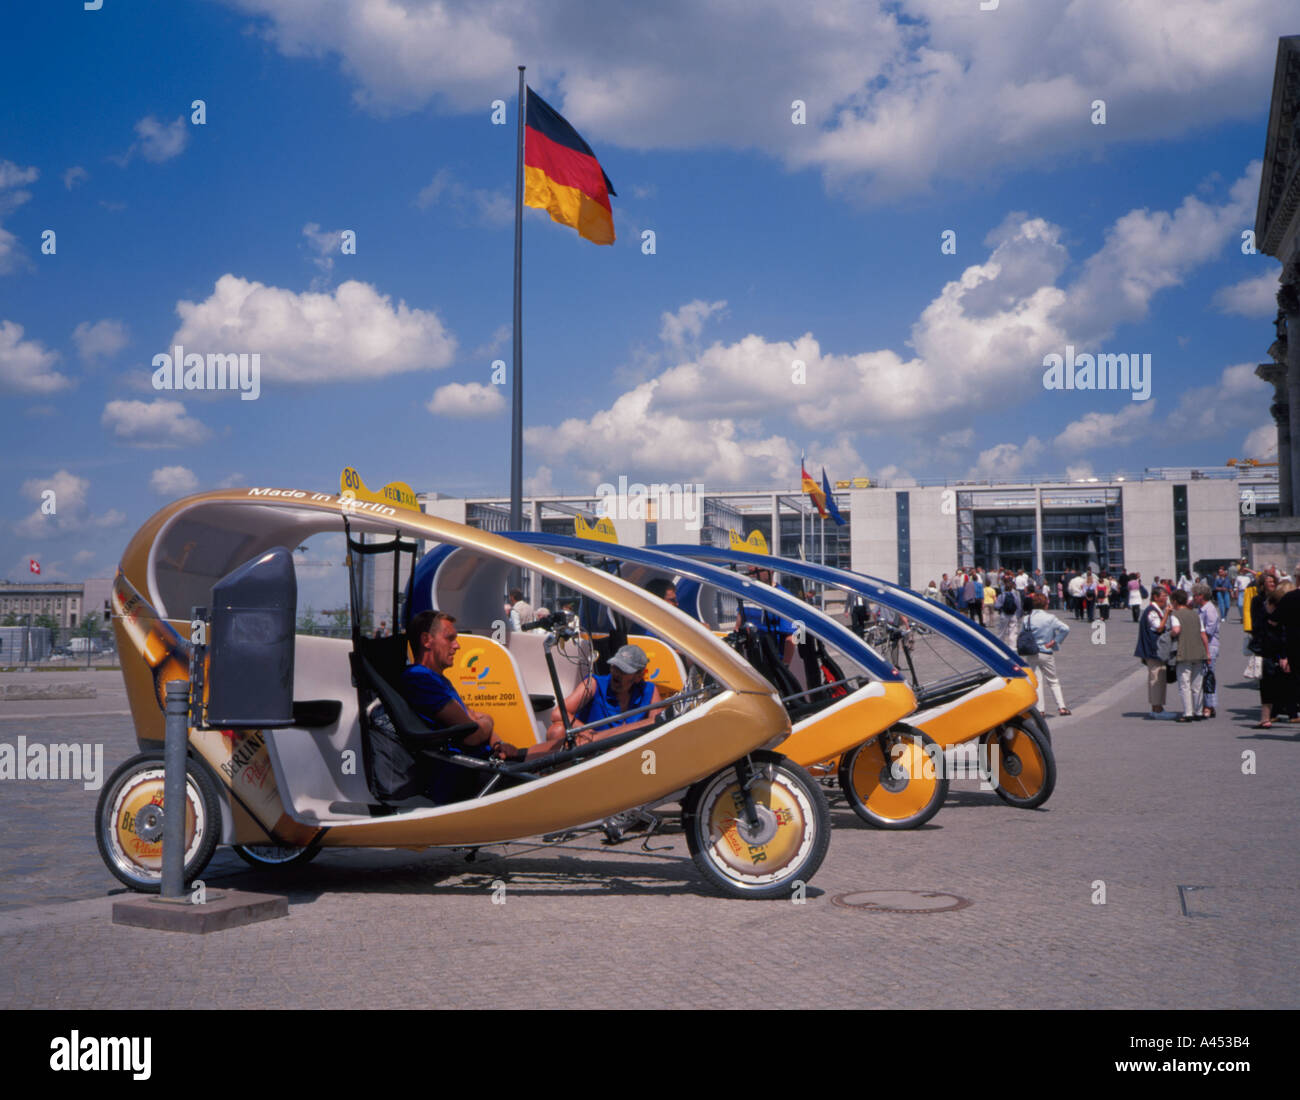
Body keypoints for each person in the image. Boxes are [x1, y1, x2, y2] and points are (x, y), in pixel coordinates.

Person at [398, 611, 524, 792]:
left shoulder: (438, 680)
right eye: (450, 638)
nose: (457, 646)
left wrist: (497, 744)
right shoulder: (419, 679)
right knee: (558, 765)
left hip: (485, 762)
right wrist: (488, 720)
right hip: (466, 774)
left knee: (559, 752)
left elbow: (471, 718)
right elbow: (472, 735)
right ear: (426, 640)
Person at [546, 644, 663, 745]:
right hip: (591, 749)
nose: (616, 673)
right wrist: (589, 733)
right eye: (615, 667)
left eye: (624, 670)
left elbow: (659, 725)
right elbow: (557, 713)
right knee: (556, 731)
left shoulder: (649, 690)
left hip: (630, 750)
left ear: (639, 676)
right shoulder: (593, 684)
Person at [1022, 592, 1071, 716]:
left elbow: (1023, 634)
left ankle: (1040, 710)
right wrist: (1055, 641)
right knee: (1053, 680)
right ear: (1045, 604)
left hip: (1032, 652)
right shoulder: (1050, 618)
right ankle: (1062, 707)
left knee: (1037, 681)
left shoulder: (1027, 618)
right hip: (1046, 651)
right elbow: (1065, 629)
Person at [1167, 589, 1208, 723]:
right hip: (1199, 651)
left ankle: (1188, 712)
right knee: (1197, 684)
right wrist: (1207, 652)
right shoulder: (1195, 614)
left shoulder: (1175, 615)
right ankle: (1199, 711)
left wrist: (1169, 635)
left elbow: (1176, 630)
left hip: (1184, 652)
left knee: (1185, 684)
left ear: (1174, 601)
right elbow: (1203, 634)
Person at [1134, 585, 1172, 718]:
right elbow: (1159, 628)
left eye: (1167, 595)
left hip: (1157, 650)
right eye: (1164, 596)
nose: (1166, 598)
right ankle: (1156, 709)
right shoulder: (1151, 611)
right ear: (1155, 597)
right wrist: (1167, 614)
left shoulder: (1156, 610)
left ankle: (1159, 707)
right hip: (1153, 650)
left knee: (1160, 678)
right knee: (1156, 678)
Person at [1193, 583, 1219, 719]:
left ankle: (1209, 706)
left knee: (1208, 675)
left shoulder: (1209, 609)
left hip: (1210, 645)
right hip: (1203, 645)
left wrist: (1195, 634)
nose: (1193, 598)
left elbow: (1209, 630)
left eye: (1194, 595)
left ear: (1200, 596)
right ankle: (1209, 705)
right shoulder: (1200, 609)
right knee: (1205, 675)